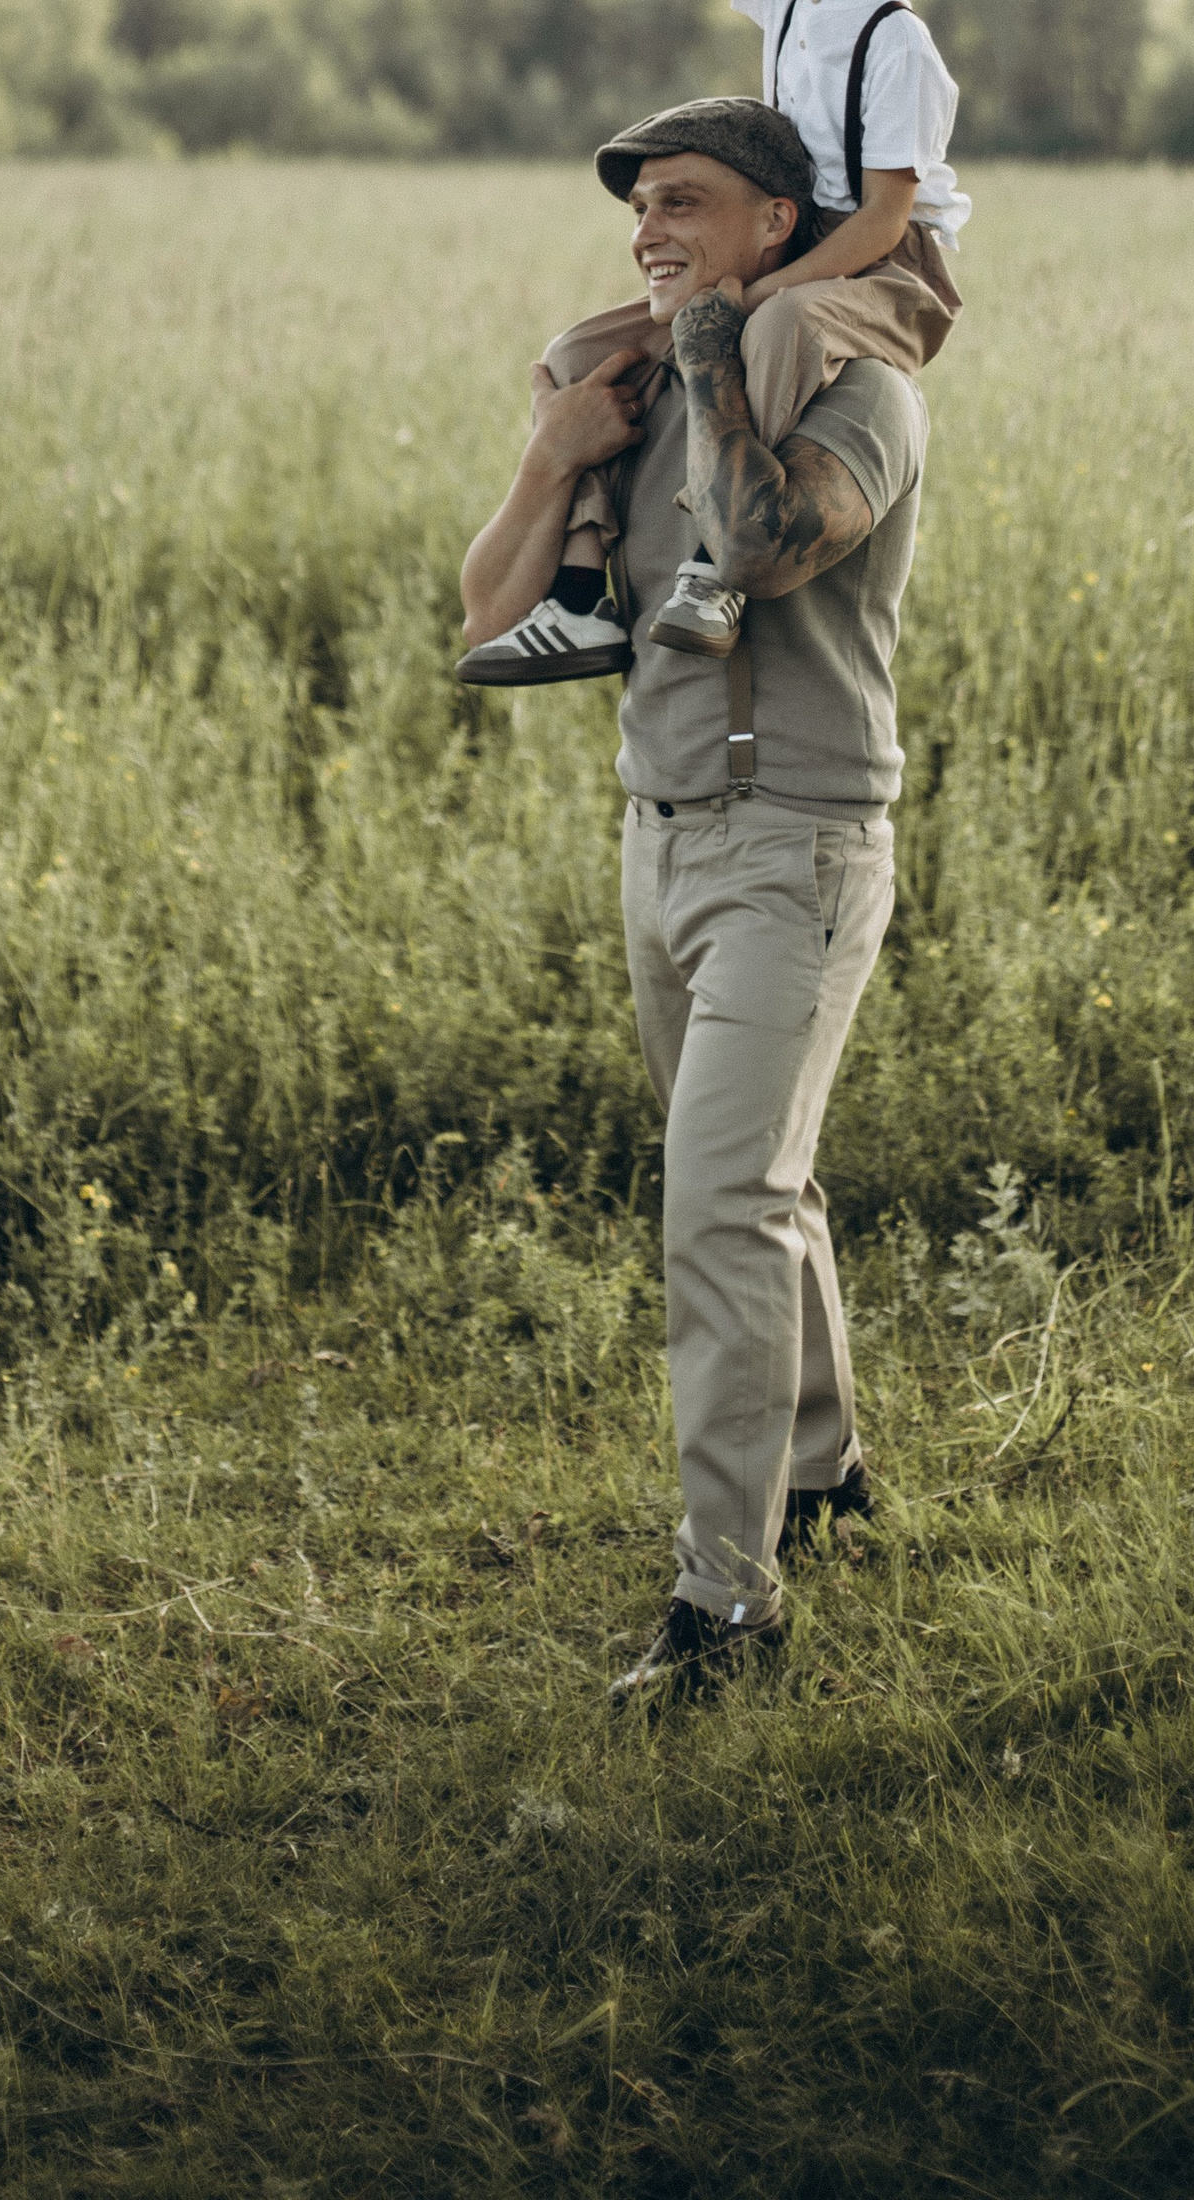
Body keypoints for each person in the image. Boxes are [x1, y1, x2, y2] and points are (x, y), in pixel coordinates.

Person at [457, 100, 931, 1706]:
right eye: (638, 209)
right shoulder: (628, 396)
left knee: (717, 1209)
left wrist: (721, 354)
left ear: (781, 226)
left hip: (796, 848)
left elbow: (776, 540)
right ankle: (827, 1474)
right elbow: (487, 610)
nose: (650, 233)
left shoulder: (863, 394)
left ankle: (729, 1609)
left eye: (688, 204)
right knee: (758, 1188)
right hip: (657, 841)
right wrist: (554, 452)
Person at [457, 0, 966, 693]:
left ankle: (712, 568)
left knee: (774, 330)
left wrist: (753, 294)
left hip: (885, 269)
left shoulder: (898, 43)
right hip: (793, 246)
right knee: (578, 351)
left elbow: (877, 222)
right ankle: (580, 591)